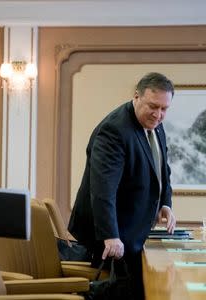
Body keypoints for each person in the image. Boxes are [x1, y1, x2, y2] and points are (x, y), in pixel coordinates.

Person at [68, 72, 176, 299]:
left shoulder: (155, 124)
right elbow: (102, 187)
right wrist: (110, 235)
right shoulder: (115, 130)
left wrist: (165, 203)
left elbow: (162, 169)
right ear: (136, 96)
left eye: (164, 109)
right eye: (153, 106)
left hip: (132, 228)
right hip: (111, 234)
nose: (158, 115)